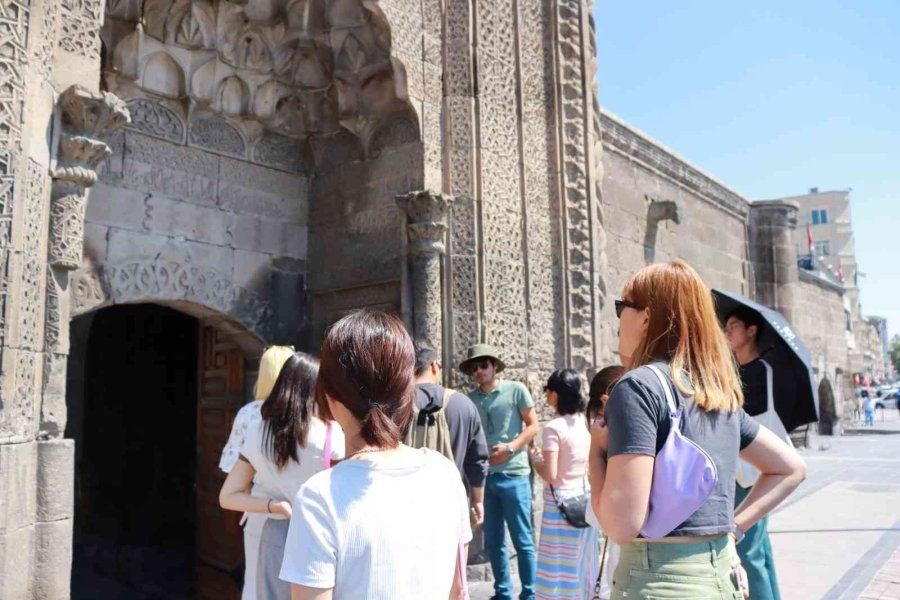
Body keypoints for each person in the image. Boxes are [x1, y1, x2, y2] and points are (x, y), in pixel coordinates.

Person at [589, 260, 806, 599]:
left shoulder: (637, 387)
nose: (618, 318)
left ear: (646, 317)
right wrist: (733, 530)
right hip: (720, 578)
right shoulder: (715, 393)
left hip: (658, 581)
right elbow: (790, 468)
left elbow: (621, 524)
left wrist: (596, 451)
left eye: (622, 306)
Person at [280, 309, 472, 599]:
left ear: (331, 400)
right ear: (407, 394)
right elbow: (457, 590)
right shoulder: (444, 472)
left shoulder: (320, 496)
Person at [219, 352, 344, 600]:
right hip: (317, 531)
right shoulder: (331, 434)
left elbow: (228, 496)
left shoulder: (257, 431)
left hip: (268, 527)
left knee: (258, 591)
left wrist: (274, 506)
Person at [462, 344, 540, 600]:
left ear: (495, 365)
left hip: (514, 475)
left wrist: (510, 447)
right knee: (493, 542)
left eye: (483, 365)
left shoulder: (516, 390)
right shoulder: (470, 400)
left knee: (522, 539)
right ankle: (503, 593)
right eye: (474, 367)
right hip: (485, 479)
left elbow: (533, 426)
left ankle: (529, 594)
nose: (479, 371)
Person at [218, 344, 294, 600]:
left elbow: (232, 468)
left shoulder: (250, 414)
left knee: (255, 581)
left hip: (260, 505)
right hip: (301, 507)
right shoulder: (309, 414)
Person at [725, 308, 789, 600]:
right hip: (744, 467)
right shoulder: (736, 372)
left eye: (734, 325)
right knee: (759, 548)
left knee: (748, 550)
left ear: (751, 331)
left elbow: (741, 417)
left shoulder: (760, 371)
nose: (728, 331)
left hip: (750, 470)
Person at [529, 369, 597, 600]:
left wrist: (536, 461)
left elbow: (551, 473)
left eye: (548, 390)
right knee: (581, 562)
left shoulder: (553, 428)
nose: (546, 395)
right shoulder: (583, 423)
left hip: (560, 506)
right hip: (584, 499)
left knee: (557, 566)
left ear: (556, 395)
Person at [410, 339, 489, 525]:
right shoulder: (463, 404)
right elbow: (477, 460)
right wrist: (477, 500)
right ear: (434, 366)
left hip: (407, 510)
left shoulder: (395, 405)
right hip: (451, 509)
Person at [585, 365, 625, 600]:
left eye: (599, 417)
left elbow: (598, 517)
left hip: (627, 574)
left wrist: (596, 451)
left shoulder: (618, 453)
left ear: (604, 404)